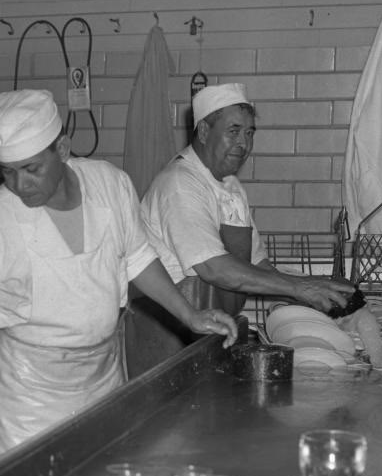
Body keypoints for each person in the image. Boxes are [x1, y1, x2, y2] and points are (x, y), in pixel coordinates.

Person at [0, 88, 237, 471]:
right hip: (28, 398)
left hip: (103, 381)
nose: (20, 185)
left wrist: (190, 315)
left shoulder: (109, 185)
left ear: (63, 149)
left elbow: (137, 258)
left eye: (32, 169)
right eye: (9, 172)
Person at [140, 83, 355, 319]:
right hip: (169, 332)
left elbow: (258, 266)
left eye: (249, 133)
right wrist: (298, 288)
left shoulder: (231, 187)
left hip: (213, 327)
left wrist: (313, 290)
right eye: (233, 131)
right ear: (203, 131)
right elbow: (214, 268)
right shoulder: (179, 184)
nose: (244, 144)